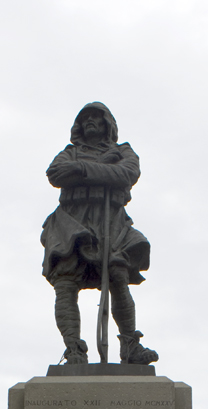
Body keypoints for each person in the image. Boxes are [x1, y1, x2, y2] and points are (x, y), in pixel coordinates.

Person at [41, 102, 158, 366]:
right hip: (72, 220)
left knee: (118, 273)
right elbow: (56, 173)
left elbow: (128, 173)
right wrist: (103, 171)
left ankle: (130, 346)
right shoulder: (70, 153)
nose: (90, 121)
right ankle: (73, 349)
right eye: (86, 117)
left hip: (110, 221)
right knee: (66, 282)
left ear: (108, 123)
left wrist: (82, 170)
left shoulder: (123, 151)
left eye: (97, 116)